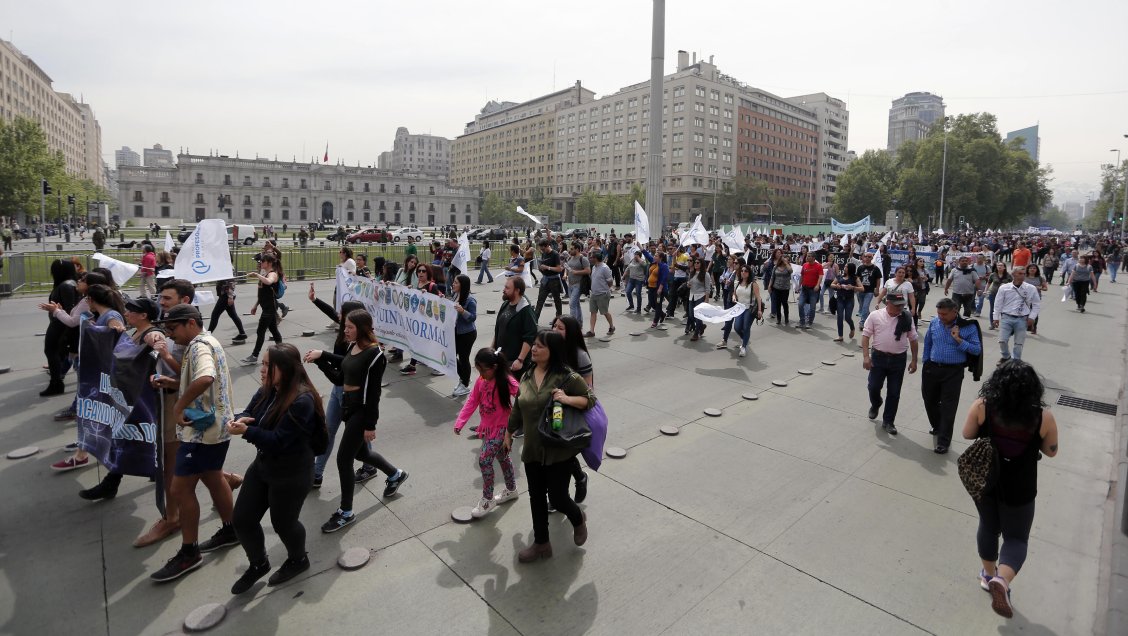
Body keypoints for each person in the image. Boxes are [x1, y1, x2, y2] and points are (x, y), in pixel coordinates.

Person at [961, 360, 1059, 619]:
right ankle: (1002, 581)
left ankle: (988, 575)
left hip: (987, 480)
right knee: (1016, 538)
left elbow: (967, 434)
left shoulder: (983, 407)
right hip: (1021, 486)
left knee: (988, 526)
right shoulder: (1042, 417)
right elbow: (1051, 452)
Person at [149, 304, 238, 583]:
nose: (169, 334)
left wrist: (179, 406)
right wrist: (174, 383)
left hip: (202, 429)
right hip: (216, 427)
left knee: (179, 488)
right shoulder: (206, 341)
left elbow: (205, 378)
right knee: (213, 478)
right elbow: (201, 380)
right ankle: (231, 528)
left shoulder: (199, 347)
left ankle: (189, 552)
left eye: (172, 328)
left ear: (190, 323)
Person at [227, 343, 322, 594]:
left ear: (286, 369)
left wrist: (247, 431)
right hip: (263, 465)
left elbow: (279, 441)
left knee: (284, 524)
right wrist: (243, 418)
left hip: (291, 473)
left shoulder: (302, 400)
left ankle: (299, 559)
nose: (262, 369)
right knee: (242, 519)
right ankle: (259, 563)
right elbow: (251, 410)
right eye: (263, 363)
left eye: (268, 365)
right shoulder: (269, 390)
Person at [310, 309, 408, 533]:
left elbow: (374, 393)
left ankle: (346, 512)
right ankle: (396, 474)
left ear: (362, 329)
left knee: (344, 460)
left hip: (361, 411)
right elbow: (339, 377)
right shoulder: (352, 347)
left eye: (350, 327)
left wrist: (370, 425)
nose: (345, 330)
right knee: (361, 453)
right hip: (348, 406)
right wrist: (320, 359)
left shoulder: (375, 355)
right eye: (345, 326)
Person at [506, 330, 595, 563]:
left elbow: (590, 399)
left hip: (559, 450)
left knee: (557, 498)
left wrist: (566, 399)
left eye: (539, 346)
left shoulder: (567, 377)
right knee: (536, 497)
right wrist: (508, 432)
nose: (534, 349)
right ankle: (542, 544)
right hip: (533, 449)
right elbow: (518, 407)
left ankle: (578, 518)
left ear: (552, 351)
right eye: (533, 345)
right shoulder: (526, 375)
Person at [305, 286, 376, 489]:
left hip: (351, 395)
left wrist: (322, 356)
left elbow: (343, 366)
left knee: (356, 435)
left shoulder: (357, 341)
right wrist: (315, 300)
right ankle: (317, 474)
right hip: (339, 391)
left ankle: (372, 467)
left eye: (342, 314)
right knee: (329, 431)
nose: (339, 317)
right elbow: (331, 312)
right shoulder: (347, 329)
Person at [453, 348, 520, 518]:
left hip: (502, 429)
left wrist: (516, 424)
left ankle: (488, 499)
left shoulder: (506, 380)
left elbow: (523, 396)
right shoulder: (481, 381)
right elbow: (472, 401)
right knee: (502, 458)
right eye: (479, 370)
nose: (481, 373)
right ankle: (511, 489)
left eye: (484, 369)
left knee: (484, 460)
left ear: (495, 367)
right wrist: (460, 422)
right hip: (488, 429)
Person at [921, 298, 982, 454]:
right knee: (930, 400)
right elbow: (928, 342)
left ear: (955, 311)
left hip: (953, 372)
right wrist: (926, 361)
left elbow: (976, 349)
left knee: (949, 406)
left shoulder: (967, 327)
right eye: (939, 313)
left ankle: (943, 441)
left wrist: (958, 339)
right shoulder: (935, 323)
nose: (941, 317)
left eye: (944, 314)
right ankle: (937, 426)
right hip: (932, 369)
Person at [861, 292, 919, 436]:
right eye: (897, 305)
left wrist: (914, 360)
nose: (901, 308)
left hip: (898, 360)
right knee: (873, 386)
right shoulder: (875, 316)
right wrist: (866, 357)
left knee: (894, 392)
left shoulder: (906, 317)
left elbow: (913, 339)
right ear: (888, 303)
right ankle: (876, 404)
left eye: (902, 305)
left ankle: (888, 421)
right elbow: (865, 336)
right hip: (878, 358)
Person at [41, 259, 80, 397]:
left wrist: (57, 311)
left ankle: (56, 382)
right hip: (60, 322)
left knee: (51, 351)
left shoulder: (66, 286)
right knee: (55, 352)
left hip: (60, 324)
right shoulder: (68, 284)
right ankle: (57, 379)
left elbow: (70, 309)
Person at [240, 254, 284, 366]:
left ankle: (254, 356)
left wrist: (256, 275)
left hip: (270, 308)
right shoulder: (264, 274)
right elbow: (262, 294)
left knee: (260, 331)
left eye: (263, 261)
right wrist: (255, 305)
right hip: (266, 307)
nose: (260, 263)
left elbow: (269, 282)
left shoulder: (273, 274)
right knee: (274, 330)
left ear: (269, 263)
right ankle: (283, 352)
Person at [991, 266, 1040, 363]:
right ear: (1013, 274)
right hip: (1006, 317)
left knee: (1018, 343)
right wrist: (995, 317)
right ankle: (1006, 356)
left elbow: (1036, 305)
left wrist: (1032, 317)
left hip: (1022, 319)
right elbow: (998, 304)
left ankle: (1016, 360)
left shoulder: (1031, 288)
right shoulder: (1004, 288)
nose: (1022, 276)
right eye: (1020, 274)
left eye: (1024, 274)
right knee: (1002, 341)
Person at [493, 276, 538, 380]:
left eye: (507, 288)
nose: (504, 290)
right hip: (501, 358)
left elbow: (529, 337)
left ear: (517, 290)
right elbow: (498, 330)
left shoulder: (526, 310)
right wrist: (492, 349)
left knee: (516, 394)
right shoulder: (505, 304)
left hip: (515, 364)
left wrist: (520, 360)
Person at [726, 264, 762, 357]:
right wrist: (734, 297)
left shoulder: (753, 284)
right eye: (742, 271)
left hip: (749, 308)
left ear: (749, 273)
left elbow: (758, 297)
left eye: (745, 271)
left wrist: (759, 310)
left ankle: (744, 347)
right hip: (739, 308)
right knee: (737, 327)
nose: (743, 272)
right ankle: (744, 338)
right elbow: (734, 293)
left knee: (746, 327)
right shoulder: (737, 283)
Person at [451, 274, 477, 397]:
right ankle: (464, 377)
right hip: (456, 332)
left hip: (467, 334)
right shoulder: (455, 295)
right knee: (451, 355)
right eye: (454, 282)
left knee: (463, 358)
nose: (453, 284)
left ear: (463, 285)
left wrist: (462, 311)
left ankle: (465, 384)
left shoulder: (470, 300)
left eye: (456, 282)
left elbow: (472, 317)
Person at [585, 252, 615, 337]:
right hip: (594, 294)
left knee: (605, 312)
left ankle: (612, 327)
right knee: (593, 312)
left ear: (596, 258)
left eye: (591, 257)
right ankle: (591, 331)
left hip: (603, 294)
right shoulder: (594, 267)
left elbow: (610, 281)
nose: (590, 259)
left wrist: (605, 289)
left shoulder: (605, 268)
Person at [534, 239, 564, 323]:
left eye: (543, 249)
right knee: (540, 300)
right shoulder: (544, 254)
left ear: (547, 245)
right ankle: (535, 320)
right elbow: (543, 265)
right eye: (541, 249)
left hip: (554, 280)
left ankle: (558, 319)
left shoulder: (555, 254)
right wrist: (541, 268)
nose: (542, 251)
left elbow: (559, 269)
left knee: (557, 300)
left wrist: (548, 267)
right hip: (545, 279)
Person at [831, 263, 862, 342]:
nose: (844, 268)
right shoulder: (840, 276)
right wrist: (836, 286)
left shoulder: (855, 278)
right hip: (840, 299)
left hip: (849, 300)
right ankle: (840, 336)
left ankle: (852, 328)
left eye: (846, 267)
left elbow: (862, 288)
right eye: (844, 266)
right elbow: (832, 284)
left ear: (851, 268)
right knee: (840, 317)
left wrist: (853, 287)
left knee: (847, 317)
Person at [855, 253, 882, 327]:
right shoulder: (860, 267)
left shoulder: (875, 268)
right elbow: (857, 278)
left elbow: (878, 279)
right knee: (862, 306)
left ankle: (862, 322)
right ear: (863, 257)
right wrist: (855, 287)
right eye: (865, 256)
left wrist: (877, 289)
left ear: (872, 258)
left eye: (869, 257)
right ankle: (868, 316)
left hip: (869, 290)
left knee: (865, 306)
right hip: (861, 290)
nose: (867, 258)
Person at [797, 253, 823, 329]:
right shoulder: (804, 265)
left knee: (812, 307)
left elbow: (820, 276)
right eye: (807, 256)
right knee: (800, 305)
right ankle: (802, 322)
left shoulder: (818, 266)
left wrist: (817, 285)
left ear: (813, 257)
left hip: (813, 290)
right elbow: (802, 276)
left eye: (809, 256)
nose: (807, 257)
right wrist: (799, 286)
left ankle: (810, 322)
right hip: (804, 289)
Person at [984, 262, 1012, 329]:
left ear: (1004, 267)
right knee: (993, 309)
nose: (999, 267)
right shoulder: (993, 275)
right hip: (993, 294)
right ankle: (992, 324)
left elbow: (1012, 284)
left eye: (1001, 265)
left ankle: (1005, 324)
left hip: (1005, 295)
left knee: (1004, 310)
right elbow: (988, 283)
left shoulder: (1008, 275)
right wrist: (985, 291)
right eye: (998, 265)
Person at [1023, 264, 1048, 335]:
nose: (1032, 269)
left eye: (1034, 268)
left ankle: (1034, 327)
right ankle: (1026, 326)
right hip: (1024, 298)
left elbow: (1045, 288)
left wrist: (1039, 288)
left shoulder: (1040, 278)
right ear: (1027, 269)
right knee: (1024, 312)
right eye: (1030, 268)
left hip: (1035, 298)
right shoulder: (1024, 277)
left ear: (1037, 270)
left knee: (1034, 313)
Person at [646, 251, 669, 328]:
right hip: (651, 287)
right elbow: (648, 255)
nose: (654, 257)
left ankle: (655, 321)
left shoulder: (664, 266)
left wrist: (660, 288)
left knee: (658, 304)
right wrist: (641, 248)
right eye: (654, 255)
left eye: (656, 256)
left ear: (660, 258)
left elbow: (664, 278)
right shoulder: (654, 263)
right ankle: (662, 314)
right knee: (652, 304)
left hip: (659, 289)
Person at [768, 254, 792, 327]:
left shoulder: (788, 267)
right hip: (776, 288)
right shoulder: (776, 267)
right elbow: (772, 277)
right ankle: (778, 319)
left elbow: (791, 271)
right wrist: (769, 286)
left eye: (786, 259)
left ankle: (786, 319)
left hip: (785, 288)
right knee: (777, 303)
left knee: (784, 303)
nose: (784, 259)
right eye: (783, 258)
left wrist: (786, 263)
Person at [624, 247, 649, 313]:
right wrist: (624, 275)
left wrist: (638, 259)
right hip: (631, 279)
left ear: (639, 256)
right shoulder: (632, 260)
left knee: (638, 294)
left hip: (639, 280)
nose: (635, 256)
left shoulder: (642, 261)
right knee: (628, 291)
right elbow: (628, 268)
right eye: (635, 255)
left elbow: (644, 265)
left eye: (636, 255)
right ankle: (631, 305)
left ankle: (638, 308)